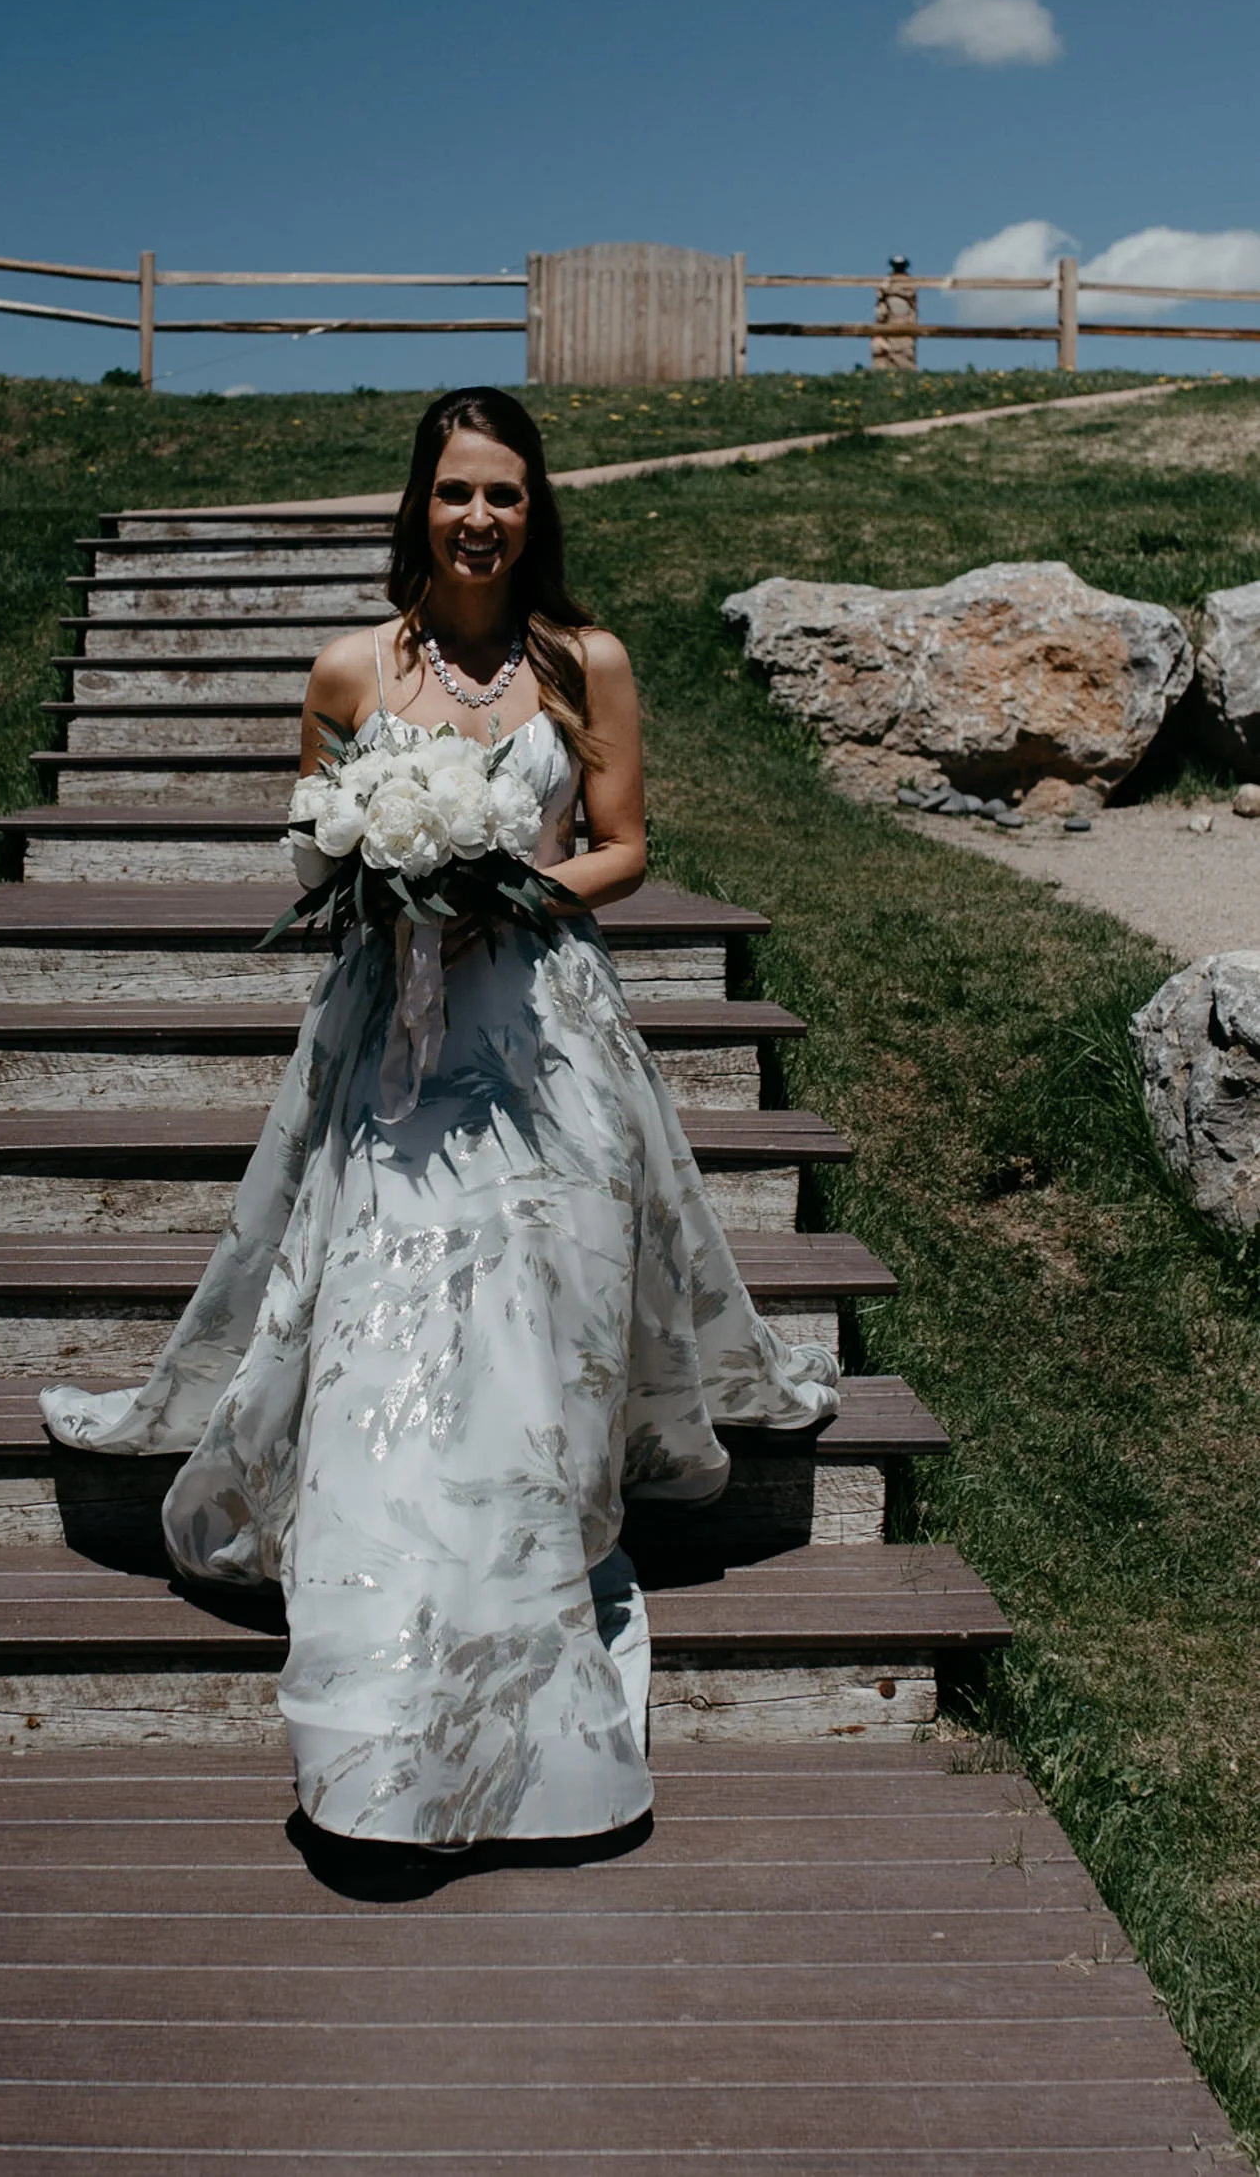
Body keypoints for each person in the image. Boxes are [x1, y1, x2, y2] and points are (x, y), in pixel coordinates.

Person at [42, 386, 839, 1850]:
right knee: (387, 1324)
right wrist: (374, 864)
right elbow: (305, 842)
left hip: (543, 1033)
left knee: (536, 1330)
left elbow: (630, 848)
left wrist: (509, 883)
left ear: (538, 513)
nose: (479, 518)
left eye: (507, 495)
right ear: (418, 503)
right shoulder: (348, 670)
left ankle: (530, 1621)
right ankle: (378, 1694)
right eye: (456, 491)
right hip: (390, 1048)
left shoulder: (585, 662)